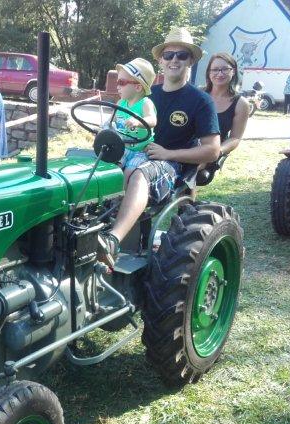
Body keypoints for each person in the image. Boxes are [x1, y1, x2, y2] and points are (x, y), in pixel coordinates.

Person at [99, 26, 220, 267]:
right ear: (160, 61)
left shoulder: (200, 101)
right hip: (133, 153)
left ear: (191, 61)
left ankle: (112, 240)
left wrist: (168, 153)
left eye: (182, 55)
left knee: (141, 174)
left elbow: (213, 150)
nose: (174, 60)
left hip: (172, 165)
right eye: (169, 55)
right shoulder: (144, 94)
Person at [113, 58, 157, 186]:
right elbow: (112, 121)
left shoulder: (145, 103)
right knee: (113, 168)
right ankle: (109, 197)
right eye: (117, 82)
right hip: (123, 147)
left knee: (128, 173)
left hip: (141, 151)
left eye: (122, 82)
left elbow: (152, 120)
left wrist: (138, 121)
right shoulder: (121, 103)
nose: (118, 86)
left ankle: (122, 198)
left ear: (138, 87)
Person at [204, 52, 249, 157]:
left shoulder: (241, 103)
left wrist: (216, 152)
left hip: (211, 153)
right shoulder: (197, 95)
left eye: (225, 69)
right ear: (209, 73)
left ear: (233, 71)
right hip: (186, 148)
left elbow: (235, 138)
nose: (220, 74)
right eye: (215, 69)